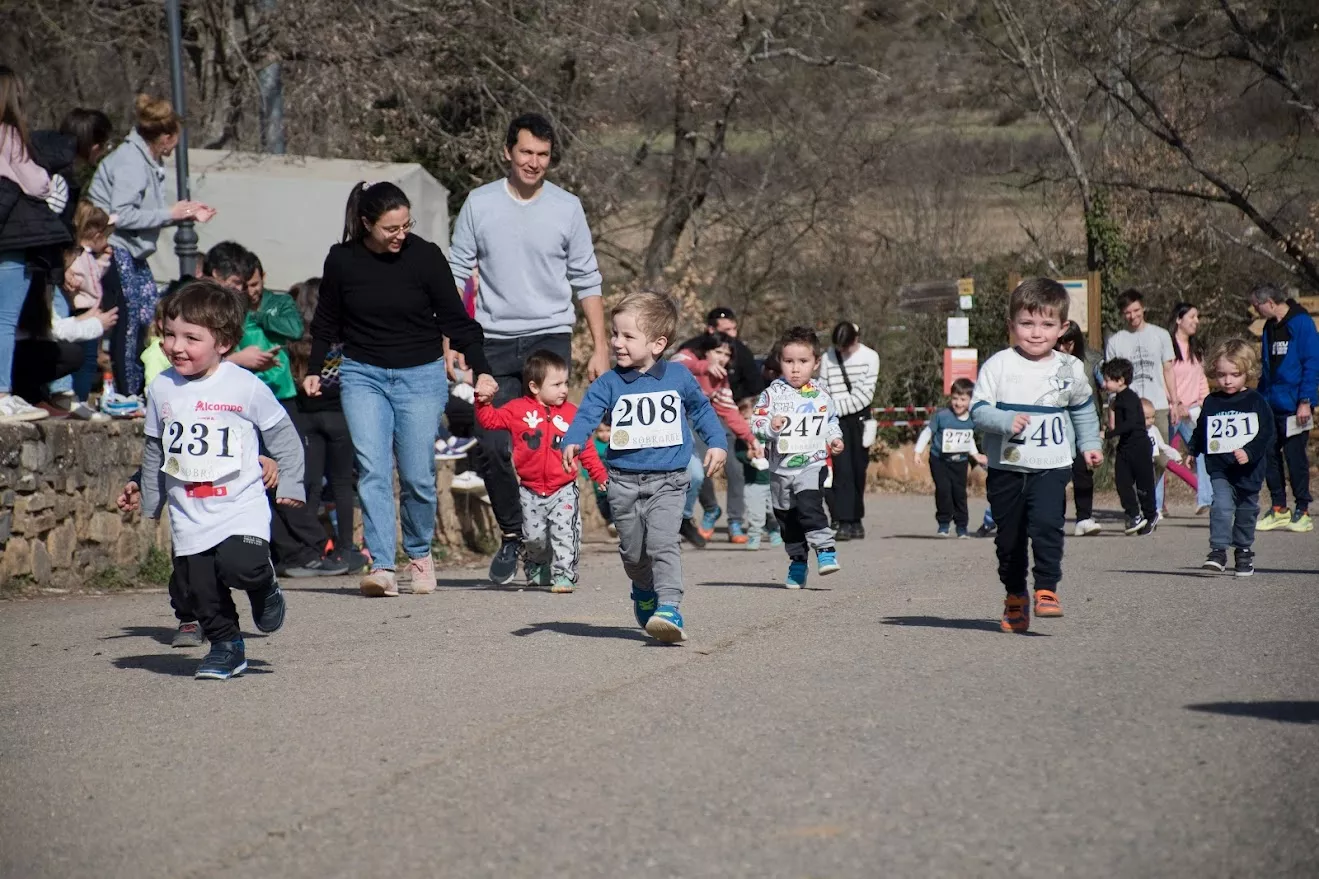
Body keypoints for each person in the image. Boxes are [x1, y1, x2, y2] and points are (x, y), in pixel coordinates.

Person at [308, 181, 496, 598]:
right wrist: (314, 368)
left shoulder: (425, 256)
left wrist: (481, 369)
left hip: (421, 375)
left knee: (417, 476)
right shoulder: (342, 260)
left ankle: (419, 553)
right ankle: (383, 565)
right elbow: (325, 319)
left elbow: (456, 319)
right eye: (391, 228)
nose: (400, 235)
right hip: (363, 374)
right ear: (366, 224)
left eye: (405, 225)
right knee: (373, 469)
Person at [448, 113, 609, 585]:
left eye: (542, 155)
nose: (534, 162)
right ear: (508, 152)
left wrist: (599, 346)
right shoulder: (479, 204)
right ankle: (515, 533)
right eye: (526, 153)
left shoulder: (567, 207)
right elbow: (455, 273)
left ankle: (550, 541)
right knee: (496, 443)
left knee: (551, 442)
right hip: (492, 341)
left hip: (549, 337)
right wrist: (450, 341)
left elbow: (587, 277)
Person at [118, 279, 303, 680]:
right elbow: (156, 447)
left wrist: (291, 483)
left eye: (190, 337)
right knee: (197, 588)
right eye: (169, 335)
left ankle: (265, 586)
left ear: (222, 342)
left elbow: (283, 436)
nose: (176, 346)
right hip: (190, 509)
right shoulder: (162, 387)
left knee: (243, 565)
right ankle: (226, 646)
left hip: (240, 504)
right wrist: (151, 495)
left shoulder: (243, 384)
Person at [562, 291, 727, 643]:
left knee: (663, 543)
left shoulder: (680, 377)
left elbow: (701, 411)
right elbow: (588, 413)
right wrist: (574, 438)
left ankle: (669, 606)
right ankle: (643, 589)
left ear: (657, 344)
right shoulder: (608, 382)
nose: (616, 343)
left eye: (627, 336)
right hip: (622, 481)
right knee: (634, 553)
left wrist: (717, 443)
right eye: (614, 334)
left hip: (669, 480)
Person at [204, 242, 345, 578]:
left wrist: (257, 314)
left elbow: (294, 328)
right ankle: (300, 550)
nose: (247, 292)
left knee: (289, 471)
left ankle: (306, 549)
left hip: (280, 397)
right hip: (235, 402)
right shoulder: (214, 307)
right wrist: (241, 359)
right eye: (239, 285)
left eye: (252, 285)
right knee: (262, 479)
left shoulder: (275, 303)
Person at [972, 279, 1102, 633]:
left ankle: (1046, 588)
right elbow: (978, 411)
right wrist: (1004, 420)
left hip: (1053, 465)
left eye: (1046, 325)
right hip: (1007, 467)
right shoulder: (998, 366)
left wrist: (1090, 444)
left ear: (1062, 329)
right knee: (1009, 539)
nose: (1035, 333)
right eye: (1027, 324)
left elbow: (1083, 410)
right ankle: (1015, 596)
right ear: (1012, 326)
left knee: (1047, 526)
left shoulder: (1071, 368)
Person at [89, 94, 215, 405]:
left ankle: (141, 386)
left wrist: (183, 214)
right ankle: (126, 391)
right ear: (167, 136)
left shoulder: (147, 160)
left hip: (135, 252)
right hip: (115, 249)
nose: (173, 149)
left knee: (148, 316)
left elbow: (147, 215)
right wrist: (174, 213)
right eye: (175, 141)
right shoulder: (131, 161)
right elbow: (119, 214)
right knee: (129, 321)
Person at [476, 349, 607, 592]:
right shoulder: (517, 410)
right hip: (530, 490)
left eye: (565, 383)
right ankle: (537, 565)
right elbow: (490, 421)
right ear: (535, 387)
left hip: (564, 488)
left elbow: (586, 447)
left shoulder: (571, 414)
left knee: (564, 534)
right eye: (556, 384)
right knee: (534, 538)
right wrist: (483, 403)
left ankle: (564, 575)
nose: (564, 390)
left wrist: (599, 475)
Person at [0, 64, 72, 422]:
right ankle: (1, 393)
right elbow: (38, 184)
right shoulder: (9, 136)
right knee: (5, 319)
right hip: (11, 239)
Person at [750, 326, 844, 587]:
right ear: (779, 362)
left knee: (809, 506)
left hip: (811, 463)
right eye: (788, 361)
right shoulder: (771, 394)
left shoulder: (822, 394)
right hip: (780, 469)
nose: (795, 368)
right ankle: (798, 561)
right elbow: (756, 425)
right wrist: (771, 427)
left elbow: (831, 422)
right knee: (788, 521)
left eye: (802, 362)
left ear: (816, 363)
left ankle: (825, 551)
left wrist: (834, 440)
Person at [287, 276, 368, 573]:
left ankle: (311, 548)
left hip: (306, 418)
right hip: (339, 417)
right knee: (343, 484)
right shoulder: (340, 340)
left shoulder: (293, 344)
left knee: (310, 486)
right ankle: (346, 548)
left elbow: (294, 385)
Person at [1187, 339, 1276, 577]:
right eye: (1221, 375)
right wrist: (1192, 450)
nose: (1227, 381)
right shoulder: (1212, 401)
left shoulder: (1255, 400)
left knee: (1247, 511)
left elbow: (1267, 432)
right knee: (1221, 507)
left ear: (1247, 372)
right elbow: (1202, 429)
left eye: (1235, 375)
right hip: (1220, 468)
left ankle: (1243, 550)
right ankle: (1217, 551)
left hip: (1249, 469)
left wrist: (1249, 451)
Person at [680, 306, 766, 542]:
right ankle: (709, 509)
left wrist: (751, 439)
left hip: (712, 421)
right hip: (685, 421)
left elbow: (731, 412)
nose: (723, 358)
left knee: (735, 469)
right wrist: (703, 367)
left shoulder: (722, 381)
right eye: (718, 352)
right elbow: (677, 362)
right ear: (706, 351)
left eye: (727, 355)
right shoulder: (690, 357)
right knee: (700, 467)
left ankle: (736, 522)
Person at [11, 247, 116, 409]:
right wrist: (96, 325)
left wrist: (84, 318)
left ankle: (32, 395)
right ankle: (27, 393)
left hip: (21, 348)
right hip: (18, 351)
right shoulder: (39, 281)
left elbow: (51, 326)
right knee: (71, 354)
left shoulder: (41, 278)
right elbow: (53, 331)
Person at [1250, 283, 1318, 534]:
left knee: (1295, 457)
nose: (1255, 310)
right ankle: (1279, 507)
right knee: (1268, 453)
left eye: (1256, 305)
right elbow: (1267, 369)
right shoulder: (1269, 328)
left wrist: (1305, 401)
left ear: (1269, 302)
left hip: (1295, 405)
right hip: (1271, 403)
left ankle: (1302, 509)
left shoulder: (1301, 323)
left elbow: (1312, 363)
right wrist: (1258, 399)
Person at [1105, 289, 1178, 519]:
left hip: (1158, 403)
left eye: (1136, 310)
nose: (1132, 316)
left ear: (1143, 308)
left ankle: (1151, 497)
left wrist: (1175, 401)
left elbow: (1168, 369)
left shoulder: (1161, 335)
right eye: (1127, 312)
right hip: (1130, 408)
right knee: (1134, 457)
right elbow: (1111, 378)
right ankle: (1148, 503)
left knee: (1160, 457)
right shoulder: (1116, 340)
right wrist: (1111, 411)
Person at [818, 321, 879, 540]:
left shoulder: (870, 357)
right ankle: (843, 520)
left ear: (855, 340)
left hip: (859, 418)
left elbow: (865, 394)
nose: (842, 352)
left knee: (858, 469)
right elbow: (823, 386)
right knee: (841, 470)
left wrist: (838, 408)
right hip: (835, 420)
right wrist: (829, 413)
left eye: (846, 347)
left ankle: (856, 519)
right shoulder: (828, 357)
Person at [914, 377, 988, 538]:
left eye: (963, 399)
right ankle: (944, 524)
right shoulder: (942, 416)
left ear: (970, 400)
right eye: (955, 398)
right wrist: (917, 452)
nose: (958, 403)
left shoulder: (972, 419)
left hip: (960, 462)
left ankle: (962, 527)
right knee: (944, 491)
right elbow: (928, 432)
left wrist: (976, 455)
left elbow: (968, 439)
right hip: (939, 460)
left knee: (959, 494)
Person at [1055, 323, 1103, 535]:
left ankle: (1084, 517)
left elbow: (1106, 389)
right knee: (1057, 474)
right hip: (1060, 425)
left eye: (1068, 343)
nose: (1063, 348)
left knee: (1083, 471)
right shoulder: (1048, 362)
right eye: (1060, 343)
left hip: (1085, 420)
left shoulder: (1092, 361)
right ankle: (1056, 519)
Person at [1101, 358, 1159, 535]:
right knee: (1122, 483)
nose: (1105, 383)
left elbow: (1132, 423)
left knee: (1144, 485)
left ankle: (1150, 514)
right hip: (1125, 447)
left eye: (1108, 379)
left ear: (1120, 380)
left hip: (1139, 447)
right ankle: (1134, 515)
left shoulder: (1130, 398)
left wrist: (1109, 434)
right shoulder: (1117, 399)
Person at [1168, 302, 1214, 514]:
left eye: (1198, 317)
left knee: (1202, 451)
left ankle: (1205, 498)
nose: (1196, 321)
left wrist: (1205, 404)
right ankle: (1155, 505)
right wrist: (1175, 403)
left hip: (1192, 412)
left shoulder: (1197, 349)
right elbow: (1163, 378)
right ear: (1179, 319)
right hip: (1170, 412)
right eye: (1192, 316)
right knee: (1160, 457)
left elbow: (1201, 379)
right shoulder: (1166, 347)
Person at [734, 397, 781, 550]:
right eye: (744, 419)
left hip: (772, 480)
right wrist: (748, 455)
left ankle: (774, 530)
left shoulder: (769, 435)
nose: (748, 422)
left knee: (774, 511)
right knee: (755, 512)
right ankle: (754, 535)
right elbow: (739, 455)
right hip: (753, 482)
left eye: (751, 418)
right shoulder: (742, 440)